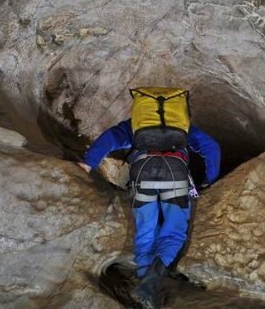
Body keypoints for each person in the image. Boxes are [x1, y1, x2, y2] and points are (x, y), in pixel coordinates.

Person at [78, 119, 220, 309]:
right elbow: (211, 147)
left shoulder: (137, 123)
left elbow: (110, 137)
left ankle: (144, 290)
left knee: (146, 232)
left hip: (143, 174)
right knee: (174, 233)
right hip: (175, 175)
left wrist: (88, 163)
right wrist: (209, 179)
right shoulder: (182, 125)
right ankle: (148, 287)